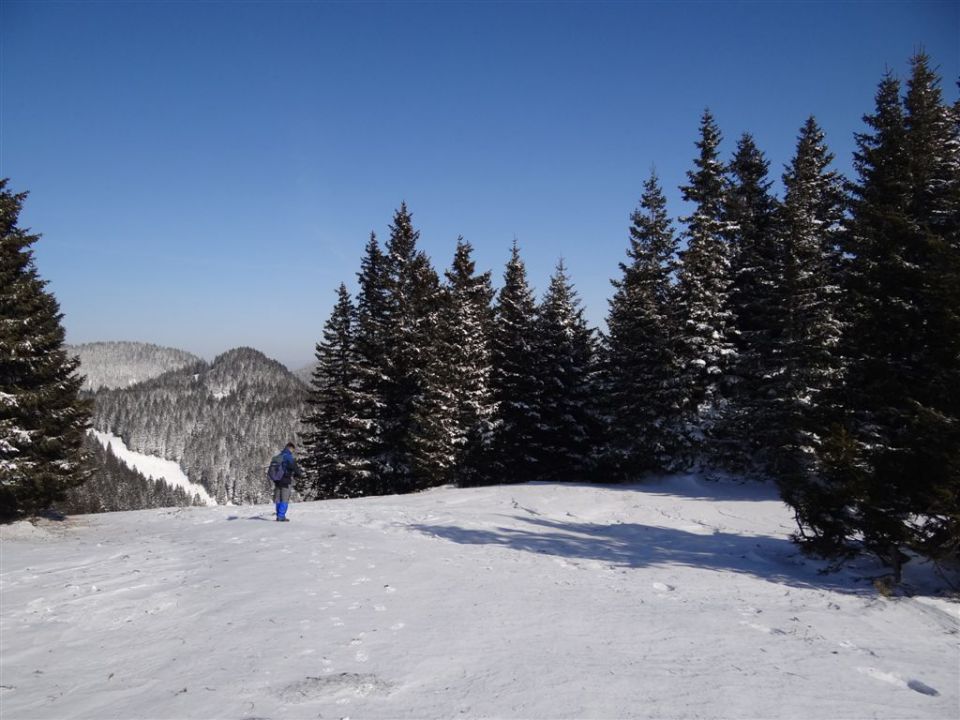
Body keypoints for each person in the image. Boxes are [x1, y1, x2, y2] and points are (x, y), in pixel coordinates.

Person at [272, 442, 303, 522]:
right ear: (290, 448)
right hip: (285, 480)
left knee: (278, 499)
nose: (293, 451)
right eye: (293, 450)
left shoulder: (278, 456)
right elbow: (294, 467)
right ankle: (281, 516)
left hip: (277, 480)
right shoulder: (288, 456)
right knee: (284, 498)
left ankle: (279, 515)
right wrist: (300, 474)